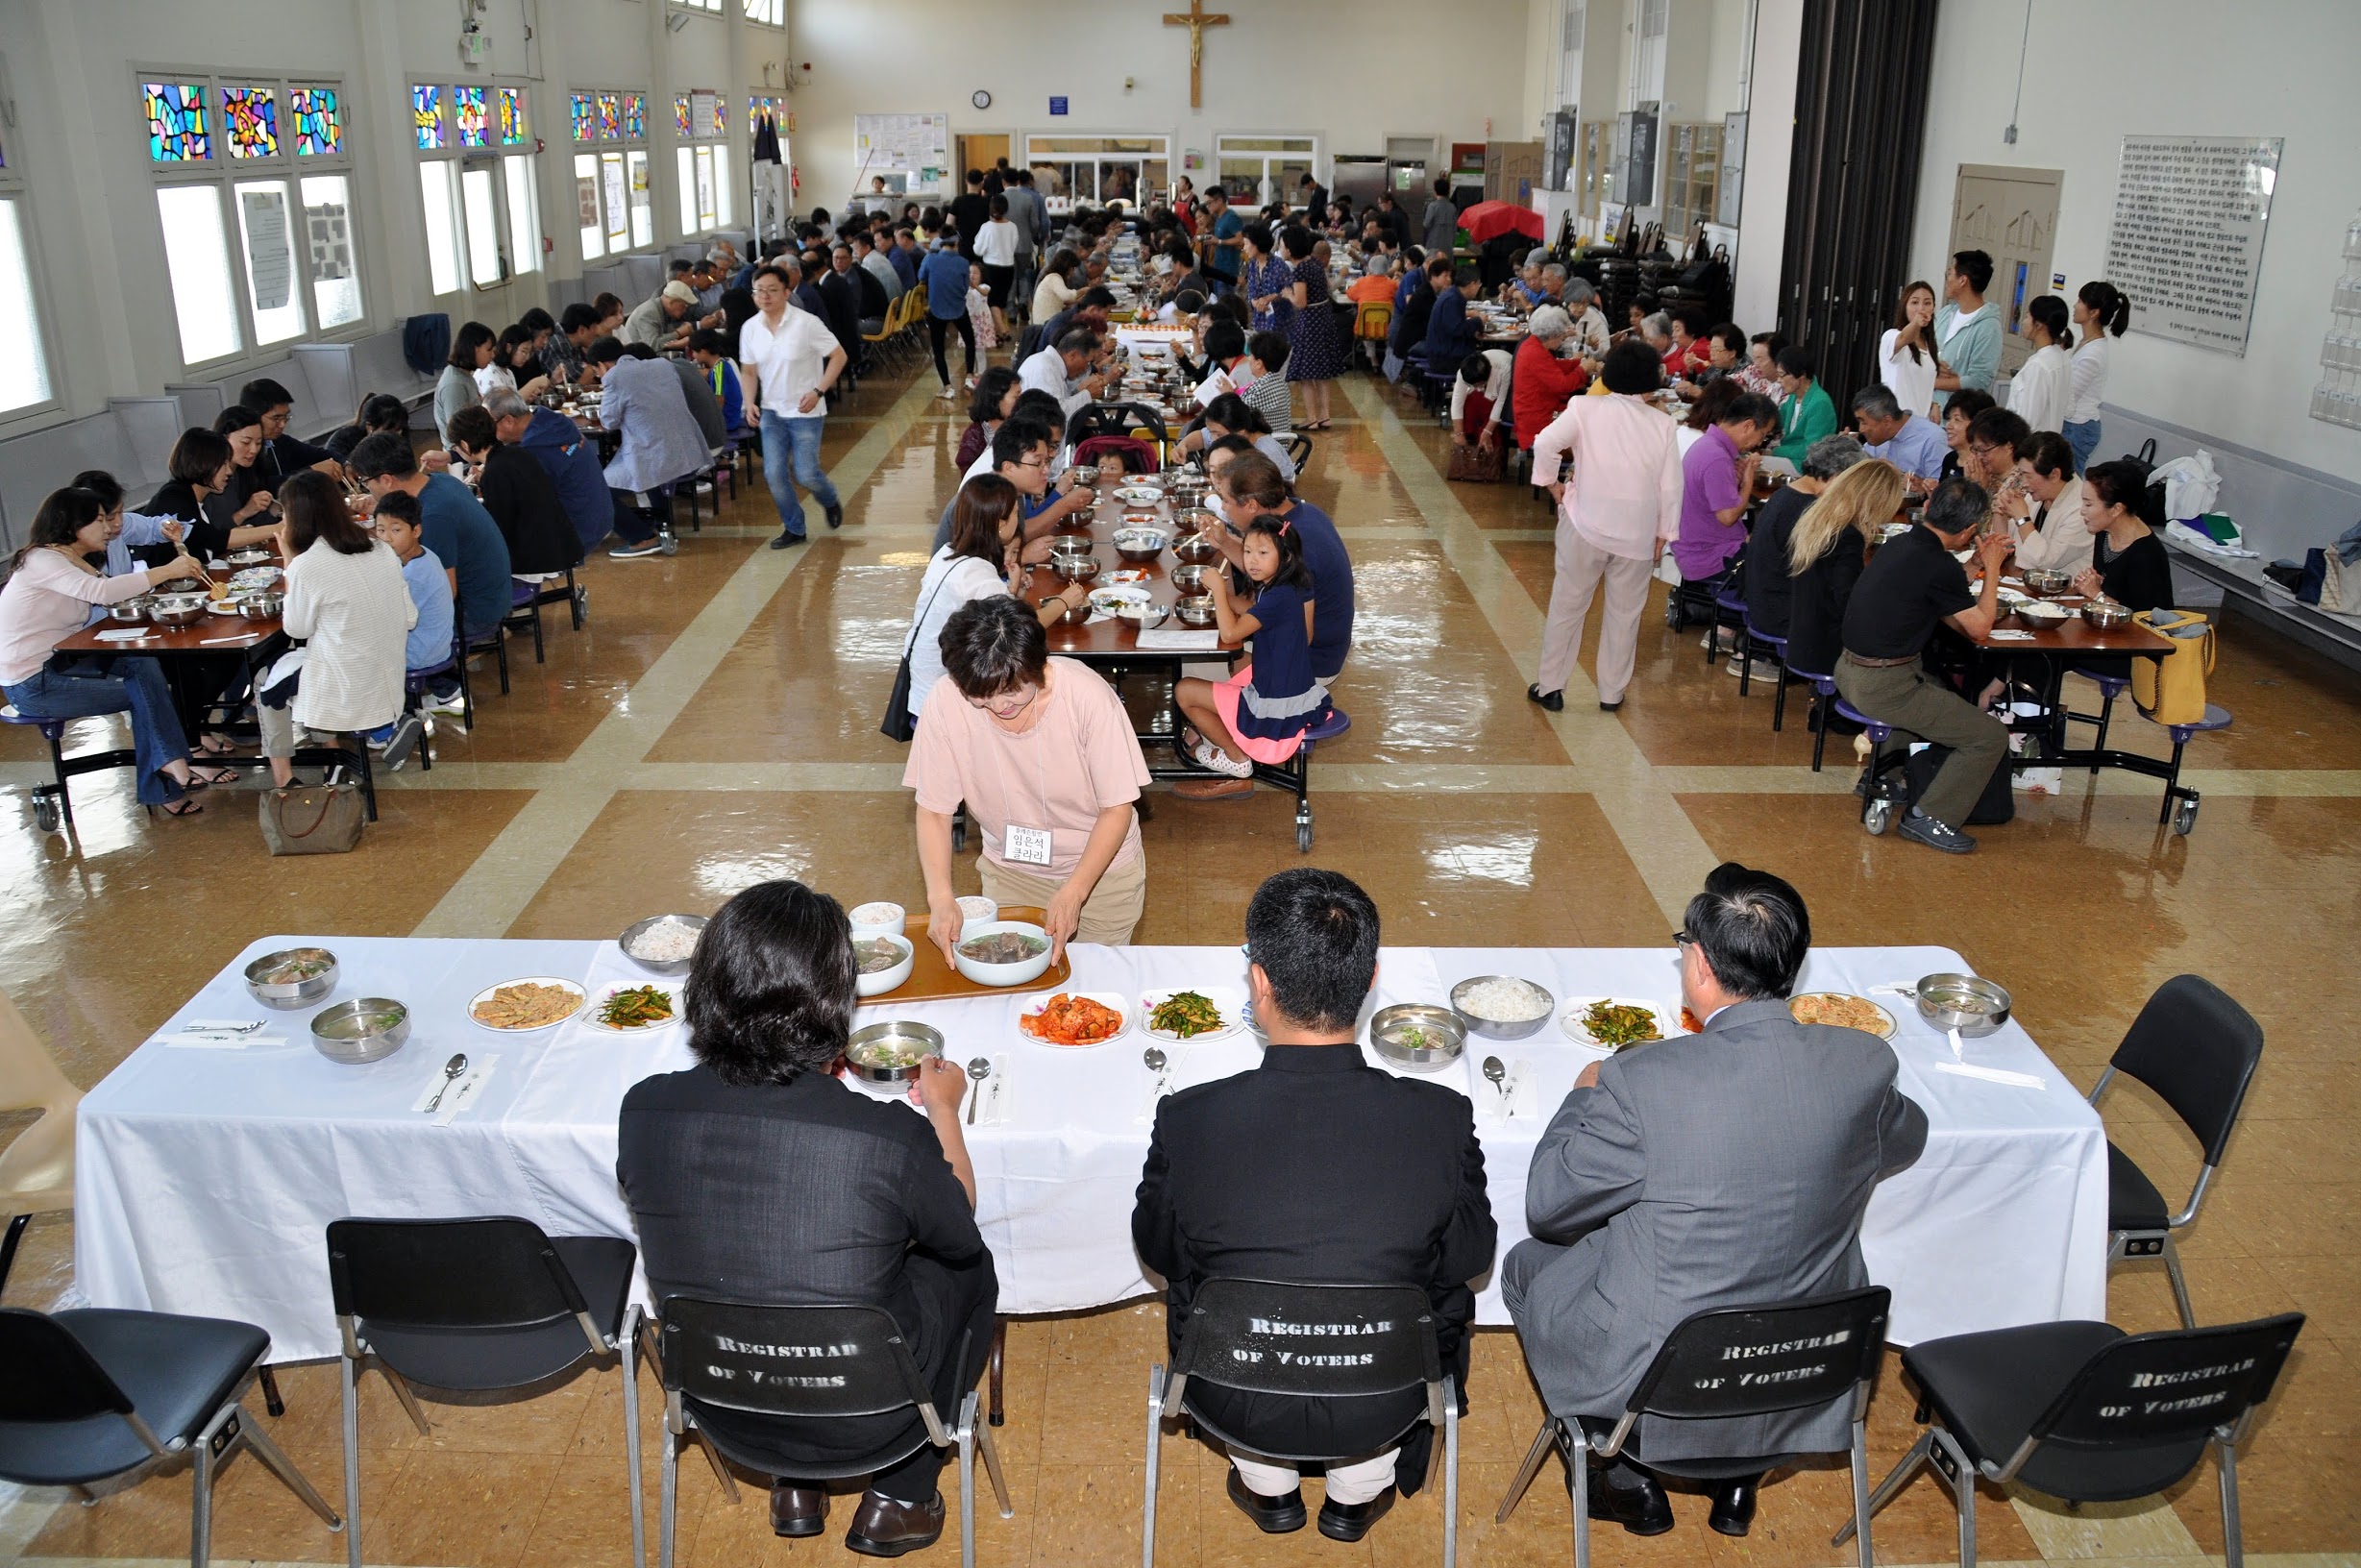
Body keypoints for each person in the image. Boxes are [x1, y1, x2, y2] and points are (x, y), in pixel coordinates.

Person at [1507, 863, 1927, 1539]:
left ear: (1698, 963)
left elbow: (1550, 1206)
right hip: (1805, 1358)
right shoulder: (1862, 1062)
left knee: (1528, 1264)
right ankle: (1737, 1480)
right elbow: (1904, 1142)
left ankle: (1616, 1466)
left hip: (1659, 1370)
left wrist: (1582, 1094)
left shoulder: (1639, 1079)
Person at [617, 880, 993, 1559]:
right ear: (835, 1003)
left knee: (754, 1262)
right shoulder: (883, 1135)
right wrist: (942, 1110)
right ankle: (902, 1496)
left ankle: (796, 1484)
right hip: (870, 1416)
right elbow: (958, 1221)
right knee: (967, 1267)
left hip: (724, 1403)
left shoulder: (643, 1109)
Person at [1134, 868, 1491, 1544]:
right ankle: (1356, 1499)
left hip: (1231, 1387)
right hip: (1385, 1394)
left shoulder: (1188, 1118)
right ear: (1369, 977)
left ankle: (1268, 1491)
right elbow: (1469, 1258)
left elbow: (1159, 1250)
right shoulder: (1441, 1117)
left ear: (1261, 983)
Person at [905, 595, 1152, 956]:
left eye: (1010, 691)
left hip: (1099, 877)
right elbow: (934, 810)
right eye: (980, 696)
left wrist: (1075, 891)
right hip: (1011, 872)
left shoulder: (1087, 698)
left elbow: (1117, 809)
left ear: (1036, 665)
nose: (998, 706)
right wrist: (941, 898)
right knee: (1014, 984)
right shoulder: (946, 702)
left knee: (1093, 991)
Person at [0, 487, 219, 816]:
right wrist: (168, 571)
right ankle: (169, 774)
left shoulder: (70, 559)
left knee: (142, 666)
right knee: (142, 691)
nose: (108, 529)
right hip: (34, 683)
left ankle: (168, 769)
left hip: (63, 663)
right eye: (100, 520)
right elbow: (102, 593)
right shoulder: (42, 560)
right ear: (75, 526)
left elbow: (107, 595)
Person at [1832, 476, 2010, 854]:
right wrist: (1993, 567)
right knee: (1988, 737)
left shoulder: (1904, 543)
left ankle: (1885, 776)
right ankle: (1931, 817)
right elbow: (1979, 627)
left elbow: (1942, 593)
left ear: (1927, 508)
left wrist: (1975, 562)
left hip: (1850, 671)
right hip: (1883, 685)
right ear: (1969, 530)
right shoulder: (1937, 564)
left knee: (1937, 691)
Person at [1525, 341, 1685, 714]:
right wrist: (1664, 532)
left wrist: (1554, 486)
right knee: (1625, 615)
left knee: (1568, 606)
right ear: (1651, 381)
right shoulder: (1663, 424)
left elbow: (1545, 443)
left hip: (1585, 525)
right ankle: (1611, 692)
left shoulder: (1584, 408)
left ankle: (1551, 687)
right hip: (1638, 534)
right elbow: (1671, 486)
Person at [257, 473, 414, 787]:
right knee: (314, 662)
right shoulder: (380, 548)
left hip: (348, 686)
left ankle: (284, 778)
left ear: (297, 517)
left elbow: (296, 628)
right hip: (390, 677)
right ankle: (334, 758)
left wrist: (290, 563)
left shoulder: (307, 565)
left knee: (266, 676)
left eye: (285, 512)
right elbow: (410, 618)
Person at [905, 476, 1091, 722]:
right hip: (944, 692)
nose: (1020, 519)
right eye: (1015, 512)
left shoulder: (948, 552)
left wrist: (1011, 593)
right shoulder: (977, 573)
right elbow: (1019, 631)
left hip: (920, 676)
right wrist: (1065, 601)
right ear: (1001, 525)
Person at [1172, 513, 1324, 797]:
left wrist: (1218, 589)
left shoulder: (1277, 596)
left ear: (1286, 557)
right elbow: (1250, 610)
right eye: (1248, 552)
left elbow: (1231, 635)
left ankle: (1236, 758)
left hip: (1275, 702)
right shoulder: (1284, 586)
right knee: (1231, 673)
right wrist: (1221, 595)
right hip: (1291, 685)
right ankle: (1223, 739)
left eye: (1263, 553)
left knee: (1185, 690)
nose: (1252, 561)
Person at [1202, 449, 1352, 682]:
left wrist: (1222, 596)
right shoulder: (1300, 513)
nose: (1223, 508)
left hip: (1309, 664)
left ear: (1251, 505)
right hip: (1318, 650)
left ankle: (1246, 717)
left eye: (1227, 501)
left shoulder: (1298, 544)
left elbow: (1298, 635)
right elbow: (1266, 568)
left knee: (1193, 667)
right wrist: (1224, 542)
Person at [347, 432, 513, 643]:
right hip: (494, 599)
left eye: (365, 482)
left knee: (363, 629)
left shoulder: (432, 515)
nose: (367, 489)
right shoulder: (440, 481)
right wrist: (383, 512)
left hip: (473, 615)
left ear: (387, 480)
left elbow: (444, 593)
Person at [739, 264, 848, 549]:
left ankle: (829, 499)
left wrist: (818, 390)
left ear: (787, 292)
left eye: (772, 290)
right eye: (759, 290)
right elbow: (748, 371)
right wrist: (748, 402)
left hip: (805, 412)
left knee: (806, 473)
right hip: (771, 412)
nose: (765, 296)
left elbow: (838, 356)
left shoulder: (807, 323)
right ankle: (794, 528)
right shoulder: (750, 329)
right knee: (774, 473)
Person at [1784, 456, 1904, 700]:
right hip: (1828, 650)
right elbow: (1847, 602)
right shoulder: (1849, 537)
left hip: (1803, 638)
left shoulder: (1817, 520)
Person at [582, 337, 711, 559]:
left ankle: (641, 537)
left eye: (597, 371)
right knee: (644, 470)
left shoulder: (614, 376)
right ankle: (662, 524)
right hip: (685, 450)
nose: (600, 376)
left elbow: (609, 421)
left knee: (597, 492)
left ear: (603, 365)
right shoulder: (662, 365)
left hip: (654, 454)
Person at [1745, 434, 1867, 653]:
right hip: (1783, 614)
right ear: (1838, 476)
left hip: (1762, 603)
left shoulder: (1786, 493)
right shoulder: (1809, 510)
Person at [444, 406, 585, 577]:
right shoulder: (517, 452)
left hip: (537, 558)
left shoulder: (495, 471)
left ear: (465, 445)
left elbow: (499, 528)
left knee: (465, 561)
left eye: (455, 447)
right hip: (562, 544)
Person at [485, 388, 624, 556]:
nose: (488, 432)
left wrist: (489, 476)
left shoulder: (534, 451)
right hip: (601, 516)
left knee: (497, 542)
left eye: (490, 425)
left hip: (579, 531)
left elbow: (521, 499)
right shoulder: (553, 421)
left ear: (508, 421)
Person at [1677, 391, 1779, 611]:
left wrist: (1738, 479)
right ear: (1748, 425)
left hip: (1701, 547)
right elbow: (1728, 516)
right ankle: (1732, 630)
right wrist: (1748, 479)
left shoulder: (1709, 444)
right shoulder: (1716, 457)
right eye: (1764, 434)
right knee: (1785, 564)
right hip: (1710, 557)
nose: (1760, 442)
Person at [367, 489, 464, 720]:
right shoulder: (425, 554)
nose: (387, 538)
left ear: (416, 530)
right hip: (437, 644)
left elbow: (393, 621)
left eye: (396, 530)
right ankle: (445, 692)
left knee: (363, 653)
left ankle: (404, 716)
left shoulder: (413, 576)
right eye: (381, 530)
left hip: (421, 652)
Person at [2075, 458, 2174, 612]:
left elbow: (2146, 620)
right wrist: (2092, 582)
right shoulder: (2104, 533)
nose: (2082, 511)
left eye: (2088, 504)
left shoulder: (2146, 554)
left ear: (2116, 509)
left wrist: (2097, 595)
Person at [1278, 226, 1346, 429]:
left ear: (1289, 249)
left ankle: (1311, 418)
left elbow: (1300, 302)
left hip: (1309, 322)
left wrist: (1287, 294)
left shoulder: (1300, 270)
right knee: (1322, 373)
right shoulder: (1315, 264)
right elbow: (1325, 288)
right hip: (1323, 318)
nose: (1280, 249)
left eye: (1281, 246)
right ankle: (1325, 416)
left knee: (1306, 374)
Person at [2002, 430, 2087, 576]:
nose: (2023, 483)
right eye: (2021, 474)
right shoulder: (2039, 493)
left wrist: (2022, 518)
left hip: (2063, 592)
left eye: (2028, 476)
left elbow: (2046, 562)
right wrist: (2000, 514)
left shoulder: (2082, 509)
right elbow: (2005, 544)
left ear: (2054, 475)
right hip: (2022, 578)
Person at [2065, 281, 2129, 472]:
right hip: (2074, 424)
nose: (2075, 306)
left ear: (2094, 312)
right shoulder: (2087, 342)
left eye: (2080, 301)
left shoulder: (2093, 353)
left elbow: (2070, 396)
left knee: (2070, 486)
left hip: (2078, 427)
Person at [1513, 306, 1590, 455]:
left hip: (1534, 414)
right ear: (1552, 335)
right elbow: (1563, 385)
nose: (1562, 340)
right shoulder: (1535, 353)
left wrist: (1578, 363)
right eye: (1561, 336)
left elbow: (1553, 366)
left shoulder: (1532, 344)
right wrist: (1583, 370)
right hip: (1536, 424)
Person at [239, 379, 339, 491]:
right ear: (253, 416)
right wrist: (311, 472)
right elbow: (260, 486)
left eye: (285, 417)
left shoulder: (279, 440)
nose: (282, 424)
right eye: (276, 418)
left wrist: (346, 464)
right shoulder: (241, 451)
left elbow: (320, 454)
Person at [1932, 249, 2001, 402]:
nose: (1947, 279)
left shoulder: (1988, 327)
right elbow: (1924, 348)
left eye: (1950, 274)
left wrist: (1932, 383)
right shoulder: (1946, 313)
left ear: (1962, 280)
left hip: (1954, 418)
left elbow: (1978, 380)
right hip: (1928, 408)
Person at [1851, 383, 1948, 483]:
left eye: (1864, 422)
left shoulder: (1933, 439)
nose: (1861, 429)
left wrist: (1900, 477)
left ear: (1887, 421)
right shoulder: (1877, 440)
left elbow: (1942, 491)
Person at [2006, 294, 2074, 434]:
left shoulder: (2038, 365)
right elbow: (2069, 408)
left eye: (2027, 316)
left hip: (2030, 447)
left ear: (2038, 325)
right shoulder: (2062, 358)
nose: (2023, 322)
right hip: (2049, 442)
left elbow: (2026, 422)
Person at [1880, 282, 1943, 418]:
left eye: (1927, 303)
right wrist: (1916, 323)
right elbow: (1904, 337)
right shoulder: (1891, 336)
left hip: (1920, 424)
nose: (1921, 308)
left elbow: (1919, 388)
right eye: (1914, 303)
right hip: (1896, 420)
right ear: (1904, 307)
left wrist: (1933, 404)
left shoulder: (1928, 343)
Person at [1422, 261, 1484, 395]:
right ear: (1472, 284)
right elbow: (1456, 330)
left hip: (1443, 350)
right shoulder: (1453, 299)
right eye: (1479, 285)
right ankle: (1475, 400)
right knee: (1485, 361)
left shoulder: (1453, 294)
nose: (1478, 288)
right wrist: (1478, 321)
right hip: (1444, 357)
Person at [1019, 329, 1110, 418]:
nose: (1086, 369)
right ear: (1073, 355)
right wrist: (1088, 394)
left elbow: (1062, 401)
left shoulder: (1051, 364)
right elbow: (1056, 414)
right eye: (1087, 362)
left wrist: (1079, 391)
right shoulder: (1044, 367)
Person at [1769, 349, 1836, 467]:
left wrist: (1775, 451)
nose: (1779, 380)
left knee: (1756, 465)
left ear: (1801, 374)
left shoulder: (1820, 403)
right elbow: (1776, 423)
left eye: (1782, 375)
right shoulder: (1793, 397)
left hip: (1807, 465)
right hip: (1791, 458)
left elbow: (1811, 449)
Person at [954, 367, 1022, 472]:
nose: (1021, 402)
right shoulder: (974, 439)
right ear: (997, 398)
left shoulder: (1019, 428)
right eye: (1016, 397)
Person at [436, 322, 492, 446]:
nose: (492, 355)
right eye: (488, 349)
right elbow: (458, 432)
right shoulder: (454, 384)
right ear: (474, 349)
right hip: (462, 457)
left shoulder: (465, 375)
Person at [972, 196, 1021, 339]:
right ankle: (997, 332)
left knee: (992, 301)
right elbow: (1014, 246)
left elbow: (978, 250)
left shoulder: (987, 227)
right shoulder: (1012, 226)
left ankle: (1003, 330)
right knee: (1002, 301)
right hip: (1008, 267)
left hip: (991, 268)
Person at [1451, 347, 1513, 453]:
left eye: (1479, 385)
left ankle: (1493, 459)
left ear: (1488, 376)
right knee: (1469, 412)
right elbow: (1457, 401)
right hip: (1484, 398)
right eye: (1473, 385)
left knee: (1492, 427)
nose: (1478, 388)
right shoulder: (1463, 372)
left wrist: (1488, 431)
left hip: (1506, 396)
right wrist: (1459, 434)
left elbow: (1501, 402)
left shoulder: (1505, 368)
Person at [686, 328, 747, 432]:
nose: (693, 356)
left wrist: (711, 422)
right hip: (730, 417)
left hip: (727, 421)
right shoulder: (722, 364)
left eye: (694, 352)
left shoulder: (719, 370)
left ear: (703, 352)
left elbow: (719, 400)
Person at [324, 393, 409, 464]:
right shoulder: (342, 442)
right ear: (369, 427)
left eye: (398, 430)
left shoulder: (401, 432)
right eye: (389, 432)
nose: (394, 436)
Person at [621, 280, 700, 353]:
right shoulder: (648, 313)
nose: (685, 310)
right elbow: (652, 345)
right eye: (683, 306)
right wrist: (678, 333)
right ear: (672, 302)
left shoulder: (663, 310)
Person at [1935, 387, 1996, 481]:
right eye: (1948, 419)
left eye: (1957, 420)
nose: (1948, 425)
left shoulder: (1985, 466)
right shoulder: (1950, 459)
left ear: (1978, 423)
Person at [1670, 323, 1744, 400]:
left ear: (1732, 353)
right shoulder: (1717, 365)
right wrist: (1691, 371)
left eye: (1716, 350)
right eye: (1711, 348)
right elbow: (1699, 384)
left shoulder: (1744, 373)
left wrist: (1701, 394)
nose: (1712, 354)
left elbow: (1727, 402)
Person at [1030, 247, 1080, 325]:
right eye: (1072, 268)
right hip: (1045, 325)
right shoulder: (1054, 278)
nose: (1073, 272)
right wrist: (1084, 291)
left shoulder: (1052, 277)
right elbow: (1067, 296)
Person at [949, 168, 990, 261]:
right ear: (982, 183)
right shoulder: (987, 202)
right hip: (983, 245)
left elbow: (949, 224)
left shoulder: (958, 201)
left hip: (963, 244)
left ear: (966, 181)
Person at [1420, 176, 1459, 259]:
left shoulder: (1432, 206)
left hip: (1434, 244)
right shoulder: (1452, 207)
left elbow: (1426, 224)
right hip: (1448, 245)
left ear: (1435, 191)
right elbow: (1455, 228)